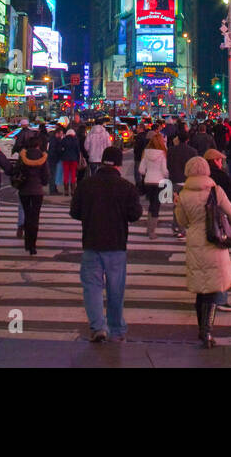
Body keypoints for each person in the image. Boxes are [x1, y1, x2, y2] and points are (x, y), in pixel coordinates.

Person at [70, 147, 142, 343]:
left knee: (92, 287)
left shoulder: (86, 185)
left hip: (91, 242)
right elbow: (135, 214)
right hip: (116, 244)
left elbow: (74, 212)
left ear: (102, 162)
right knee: (115, 288)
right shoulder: (126, 187)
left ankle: (98, 326)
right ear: (119, 164)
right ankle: (116, 328)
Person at [176, 156, 231, 347]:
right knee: (212, 290)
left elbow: (181, 222)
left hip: (195, 240)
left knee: (200, 288)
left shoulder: (183, 194)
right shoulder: (216, 191)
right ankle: (207, 331)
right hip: (214, 240)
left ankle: (201, 328)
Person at [203, 149, 231, 311]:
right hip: (220, 225)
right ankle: (220, 298)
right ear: (215, 161)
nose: (221, 162)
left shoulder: (197, 181)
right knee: (221, 264)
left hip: (202, 227)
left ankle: (206, 296)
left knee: (205, 264)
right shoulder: (222, 178)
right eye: (219, 160)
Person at [15, 135, 50, 255]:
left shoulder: (23, 156)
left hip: (24, 190)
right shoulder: (42, 157)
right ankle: (32, 246)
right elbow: (45, 177)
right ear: (38, 145)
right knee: (35, 217)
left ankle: (27, 242)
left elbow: (16, 171)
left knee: (27, 214)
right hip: (37, 191)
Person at [137, 130, 171, 238]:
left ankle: (149, 228)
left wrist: (148, 172)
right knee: (156, 206)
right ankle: (152, 231)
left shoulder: (146, 153)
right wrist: (167, 176)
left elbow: (141, 170)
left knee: (152, 204)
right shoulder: (162, 154)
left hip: (148, 181)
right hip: (159, 181)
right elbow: (164, 170)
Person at [167, 132, 199, 240]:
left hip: (175, 180)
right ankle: (181, 229)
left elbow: (168, 165)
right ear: (187, 140)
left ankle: (176, 226)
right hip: (187, 181)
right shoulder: (193, 152)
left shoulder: (171, 150)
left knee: (176, 205)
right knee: (186, 206)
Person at [58, 126, 80, 195]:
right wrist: (78, 159)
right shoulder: (76, 140)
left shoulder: (63, 140)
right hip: (74, 160)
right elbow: (78, 151)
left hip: (65, 159)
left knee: (66, 174)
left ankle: (66, 190)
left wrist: (62, 156)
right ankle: (73, 190)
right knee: (73, 175)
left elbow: (60, 150)